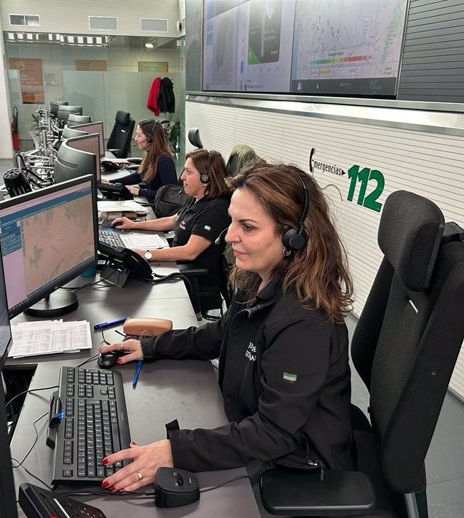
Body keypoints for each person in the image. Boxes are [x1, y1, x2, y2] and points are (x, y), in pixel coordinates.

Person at [99, 162, 354, 492]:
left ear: (295, 237)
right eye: (233, 221)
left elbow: (274, 433)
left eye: (247, 227)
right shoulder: (258, 280)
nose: (228, 235)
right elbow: (220, 335)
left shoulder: (303, 322)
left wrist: (176, 450)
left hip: (295, 466)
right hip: (249, 428)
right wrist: (149, 347)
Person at [110, 148, 231, 294]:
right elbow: (173, 220)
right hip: (174, 267)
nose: (182, 177)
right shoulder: (197, 198)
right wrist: (133, 224)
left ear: (206, 179)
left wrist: (146, 254)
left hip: (191, 280)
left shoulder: (215, 209)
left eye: (188, 172)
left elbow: (190, 252)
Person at [112, 119, 177, 202]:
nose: (135, 138)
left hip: (159, 209)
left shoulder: (164, 161)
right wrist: (111, 182)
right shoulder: (150, 155)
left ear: (150, 138)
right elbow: (138, 176)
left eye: (139, 135)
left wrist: (139, 191)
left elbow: (170, 194)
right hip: (152, 201)